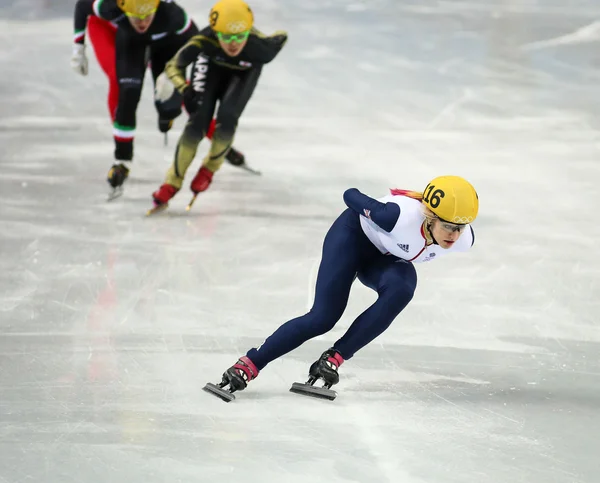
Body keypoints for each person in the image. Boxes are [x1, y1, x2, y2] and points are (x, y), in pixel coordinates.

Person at [203, 175, 480, 401]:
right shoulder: (395, 217)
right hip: (351, 240)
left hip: (383, 259)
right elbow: (350, 194)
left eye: (461, 227)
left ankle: (333, 358)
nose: (455, 236)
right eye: (448, 227)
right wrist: (377, 207)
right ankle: (250, 364)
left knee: (403, 286)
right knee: (323, 317)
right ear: (430, 218)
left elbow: (453, 235)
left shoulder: (464, 239)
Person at [70, 0, 246, 197]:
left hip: (161, 38)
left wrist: (174, 70)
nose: (143, 21)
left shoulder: (171, 15)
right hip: (111, 28)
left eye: (147, 15)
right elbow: (83, 5)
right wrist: (78, 46)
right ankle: (122, 157)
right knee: (124, 87)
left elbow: (197, 42)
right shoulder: (110, 7)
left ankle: (213, 136)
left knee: (171, 97)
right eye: (138, 16)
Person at [149, 0, 287, 212]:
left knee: (228, 118)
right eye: (226, 36)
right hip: (210, 66)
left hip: (244, 73)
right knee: (197, 123)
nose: (233, 44)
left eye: (240, 36)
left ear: (248, 32)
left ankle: (209, 170)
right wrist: (184, 88)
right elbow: (173, 66)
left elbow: (281, 36)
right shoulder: (203, 41)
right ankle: (171, 182)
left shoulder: (262, 48)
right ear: (215, 32)